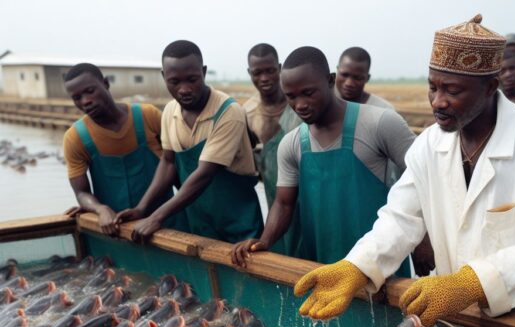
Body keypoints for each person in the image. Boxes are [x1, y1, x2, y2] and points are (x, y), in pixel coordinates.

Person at [293, 15, 515, 327]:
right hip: (456, 319)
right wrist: (358, 265)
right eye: (432, 87)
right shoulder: (430, 144)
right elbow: (400, 219)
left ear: (489, 88)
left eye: (453, 90)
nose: (438, 101)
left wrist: (472, 283)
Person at [231, 46, 416, 276]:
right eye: (291, 96)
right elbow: (283, 203)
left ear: (330, 80)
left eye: (308, 93)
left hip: (380, 268)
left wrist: (423, 240)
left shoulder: (380, 123)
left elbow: (421, 181)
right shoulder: (292, 144)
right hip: (320, 266)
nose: (300, 105)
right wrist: (265, 241)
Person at [115, 40, 263, 244]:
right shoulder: (169, 112)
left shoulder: (228, 112)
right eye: (175, 82)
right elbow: (168, 163)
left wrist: (157, 216)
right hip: (198, 223)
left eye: (192, 79)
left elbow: (204, 174)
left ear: (203, 72)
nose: (184, 89)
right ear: (163, 77)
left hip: (238, 224)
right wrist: (142, 208)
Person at [336, 46, 435, 275]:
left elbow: (415, 174)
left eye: (358, 77)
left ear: (367, 78)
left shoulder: (384, 114)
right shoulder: (321, 109)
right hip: (338, 218)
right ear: (336, 73)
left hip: (382, 216)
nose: (350, 82)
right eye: (345, 75)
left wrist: (421, 238)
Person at [63, 63, 177, 235]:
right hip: (117, 229)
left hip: (168, 224)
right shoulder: (75, 138)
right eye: (77, 97)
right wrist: (99, 209)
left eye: (90, 91)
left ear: (106, 83)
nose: (85, 101)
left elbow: (175, 165)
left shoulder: (148, 116)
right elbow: (81, 192)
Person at [244, 43, 301, 207]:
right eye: (257, 72)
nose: (264, 78)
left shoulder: (300, 107)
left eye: (270, 70)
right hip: (271, 195)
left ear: (280, 68)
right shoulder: (247, 113)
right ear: (249, 73)